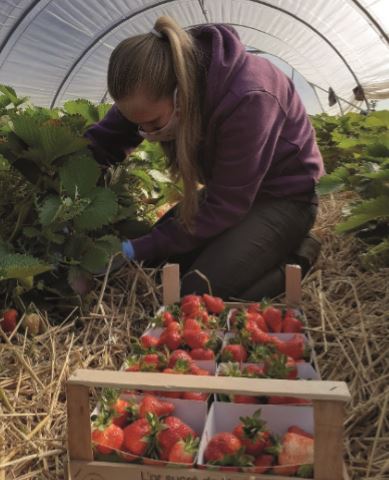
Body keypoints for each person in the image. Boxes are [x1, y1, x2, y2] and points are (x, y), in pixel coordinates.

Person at [85, 16, 324, 301]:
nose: (145, 134)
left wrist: (135, 247)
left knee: (199, 293)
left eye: (153, 123)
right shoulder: (154, 82)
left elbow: (225, 207)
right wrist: (68, 186)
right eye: (138, 125)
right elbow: (104, 141)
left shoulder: (249, 97)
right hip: (230, 190)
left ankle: (300, 254)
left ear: (180, 94)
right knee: (155, 267)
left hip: (282, 199)